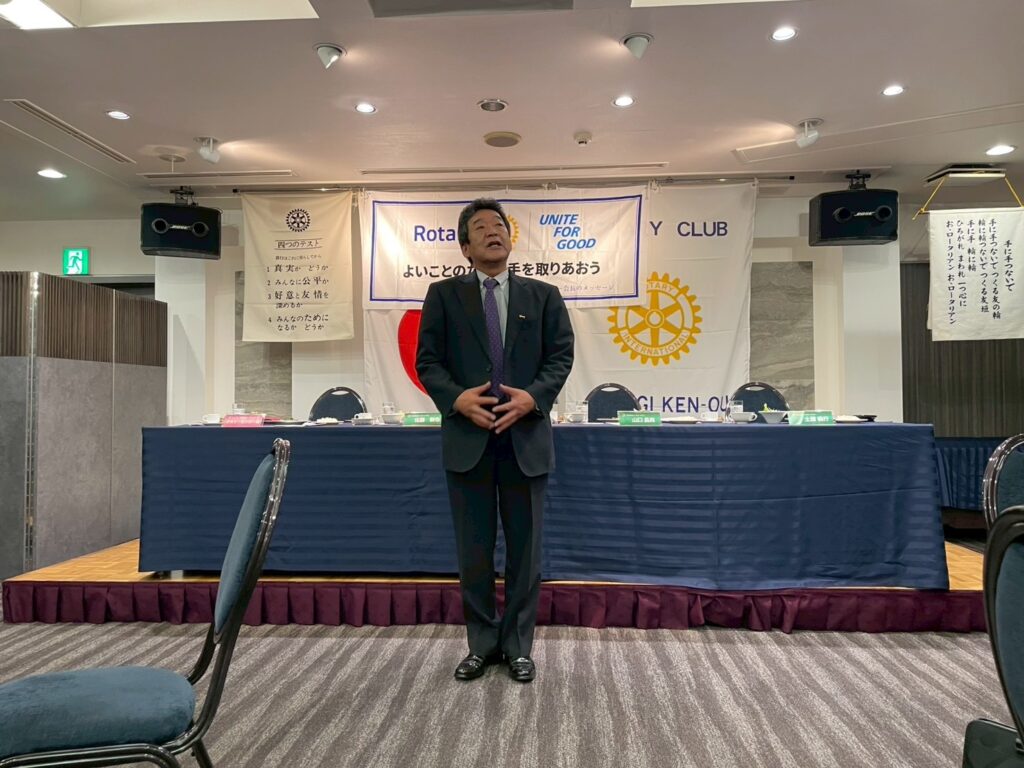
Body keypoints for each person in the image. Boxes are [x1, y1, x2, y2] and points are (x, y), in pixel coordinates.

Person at [416, 198, 574, 683]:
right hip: (469, 441)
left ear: (509, 238)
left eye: (499, 225)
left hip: (525, 441)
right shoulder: (443, 295)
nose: (493, 231)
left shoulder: (543, 295)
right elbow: (428, 362)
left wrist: (534, 398)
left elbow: (561, 356)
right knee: (475, 553)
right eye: (481, 227)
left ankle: (519, 647)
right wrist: (456, 399)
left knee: (526, 554)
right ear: (465, 246)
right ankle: (482, 645)